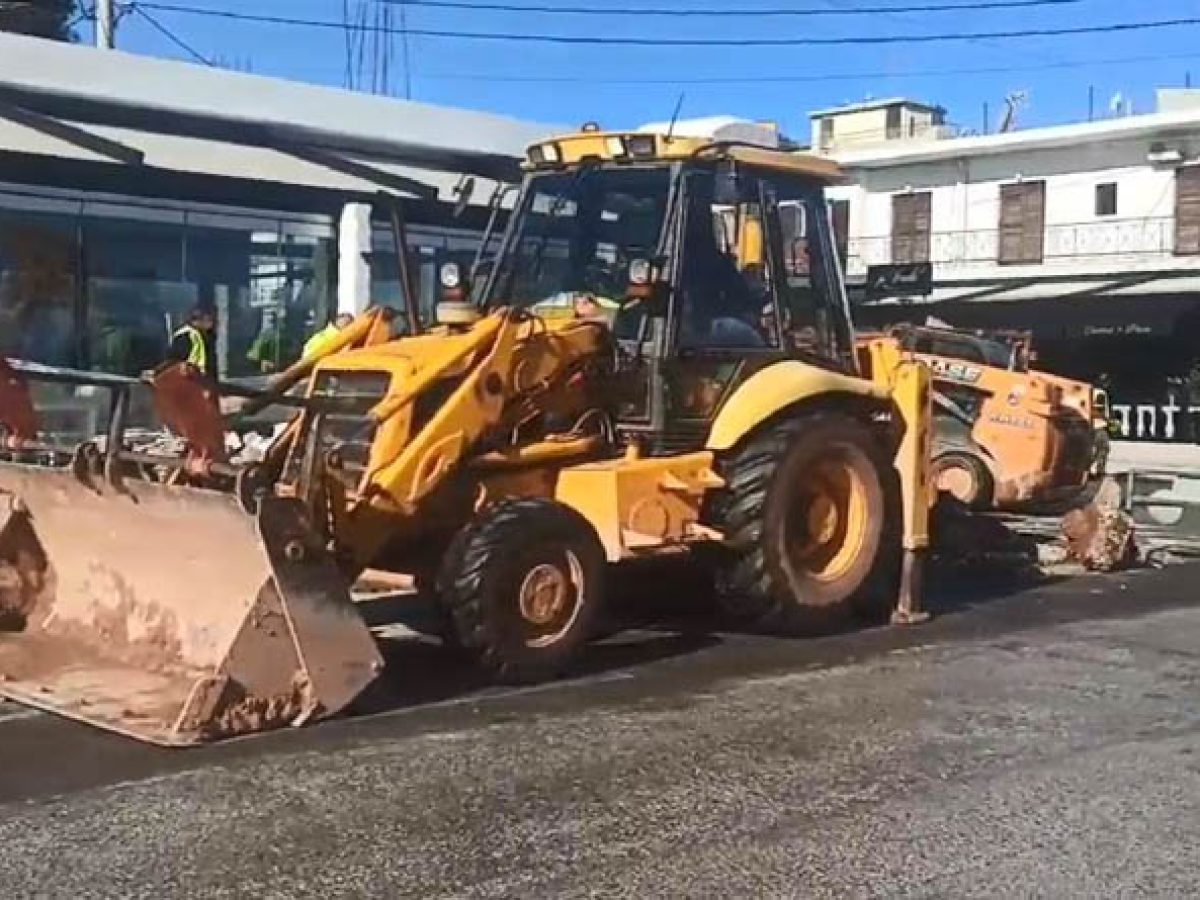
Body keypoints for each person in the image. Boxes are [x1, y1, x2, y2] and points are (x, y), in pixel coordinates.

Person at [167, 305, 218, 380]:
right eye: (210, 320)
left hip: (201, 379)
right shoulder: (185, 336)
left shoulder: (205, 335)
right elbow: (179, 360)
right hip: (189, 380)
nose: (212, 323)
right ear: (199, 320)